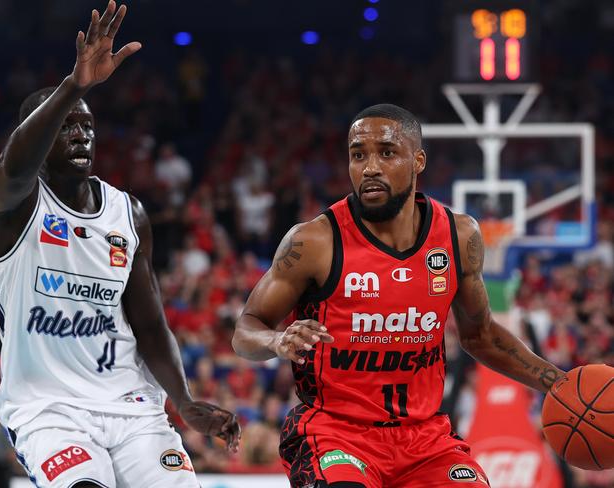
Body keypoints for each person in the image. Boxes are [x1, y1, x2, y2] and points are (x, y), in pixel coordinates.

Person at [232, 103, 566, 487]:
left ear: (418, 160)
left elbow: (481, 336)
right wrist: (276, 340)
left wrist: (559, 384)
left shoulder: (459, 237)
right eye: (358, 155)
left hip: (424, 439)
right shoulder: (314, 241)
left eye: (386, 153)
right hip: (336, 434)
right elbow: (245, 329)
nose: (370, 167)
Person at [0, 2, 240, 487]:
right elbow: (14, 170)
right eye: (65, 126)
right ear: (34, 137)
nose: (80, 135)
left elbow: (149, 322)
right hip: (49, 409)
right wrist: (75, 85)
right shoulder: (15, 208)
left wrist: (182, 401)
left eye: (87, 126)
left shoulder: (129, 213)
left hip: (131, 405)